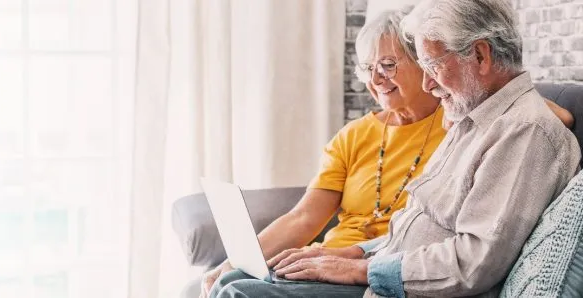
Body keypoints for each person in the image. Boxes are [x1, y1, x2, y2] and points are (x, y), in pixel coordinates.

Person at [207, 1, 581, 297]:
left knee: (240, 291)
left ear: (481, 57)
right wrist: (353, 253)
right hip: (383, 271)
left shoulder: (524, 130)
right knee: (232, 281)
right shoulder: (473, 115)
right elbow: (414, 228)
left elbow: (474, 262)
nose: (430, 85)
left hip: (406, 287)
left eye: (432, 66)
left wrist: (360, 269)